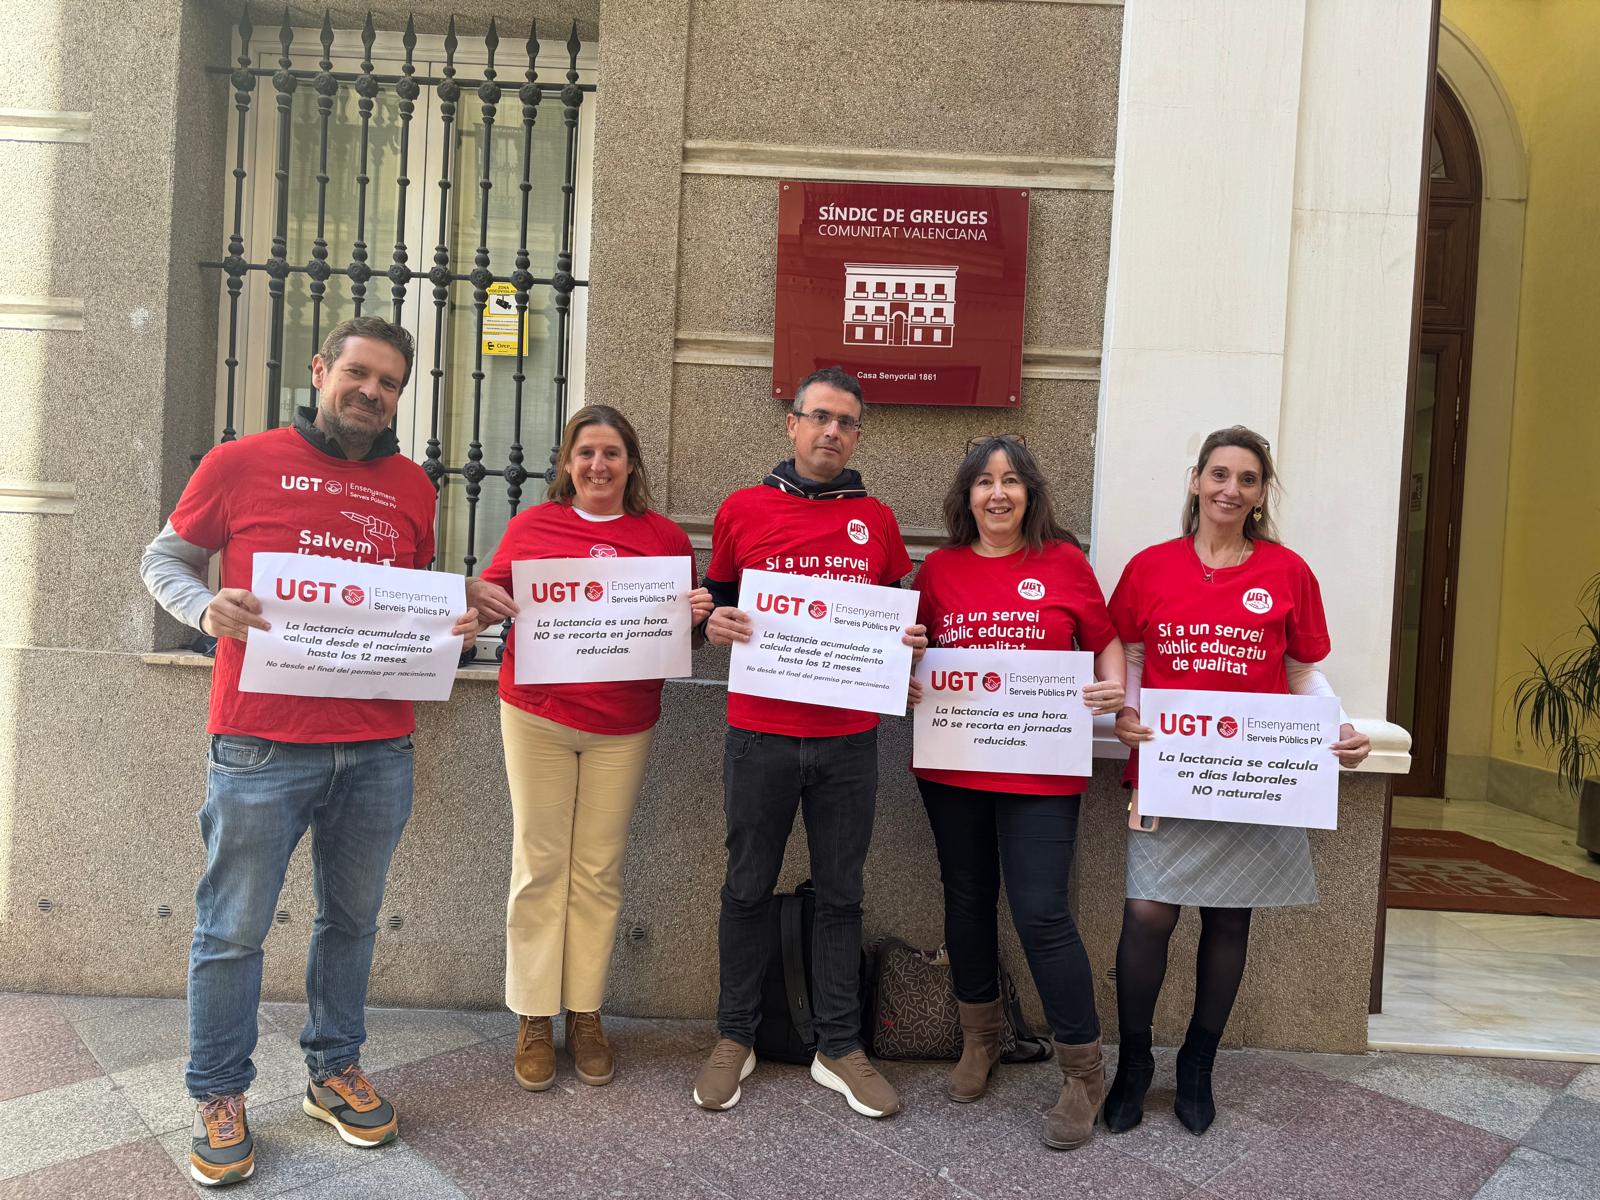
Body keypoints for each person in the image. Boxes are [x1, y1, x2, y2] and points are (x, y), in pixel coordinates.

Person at [138, 316, 479, 1188]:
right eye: (359, 374)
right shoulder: (237, 463)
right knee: (231, 929)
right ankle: (219, 1094)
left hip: (377, 748)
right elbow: (165, 558)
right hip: (258, 744)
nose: (373, 393)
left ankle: (334, 1071)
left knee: (353, 923)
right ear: (322, 371)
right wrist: (202, 607)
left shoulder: (413, 485)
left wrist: (457, 618)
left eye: (391, 383)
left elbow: (408, 606)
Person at [1104, 425, 1371, 1136]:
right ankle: (1134, 1062)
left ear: (1260, 495)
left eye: (1247, 479)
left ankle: (1198, 1063)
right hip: (1168, 771)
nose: (1230, 489)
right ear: (1195, 481)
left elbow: (1302, 672)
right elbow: (1127, 653)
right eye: (1219, 474)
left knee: (1229, 918)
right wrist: (1126, 709)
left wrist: (1336, 729)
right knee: (1147, 916)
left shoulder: (1286, 572)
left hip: (1253, 777)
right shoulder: (1150, 567)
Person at [692, 366, 926, 1119]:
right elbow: (714, 604)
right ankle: (735, 1035)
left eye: (846, 422)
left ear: (858, 435)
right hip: (759, 734)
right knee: (745, 887)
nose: (831, 431)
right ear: (791, 424)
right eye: (819, 416)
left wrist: (909, 639)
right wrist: (711, 622)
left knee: (842, 893)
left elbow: (896, 617)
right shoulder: (742, 509)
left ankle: (840, 1045)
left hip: (848, 742)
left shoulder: (879, 521)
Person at [464, 405, 712, 1092]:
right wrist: (471, 603)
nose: (598, 466)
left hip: (623, 723)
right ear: (567, 464)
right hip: (536, 715)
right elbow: (491, 602)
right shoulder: (531, 526)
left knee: (599, 869)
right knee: (539, 864)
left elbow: (679, 642)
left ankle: (586, 1013)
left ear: (631, 463)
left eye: (611, 453)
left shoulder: (662, 537)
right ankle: (535, 1016)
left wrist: (691, 620)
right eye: (585, 453)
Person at [909, 436, 1126, 1150]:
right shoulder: (936, 569)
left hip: (1040, 767)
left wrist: (1112, 688)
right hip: (955, 763)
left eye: (1010, 482)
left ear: (1030, 494)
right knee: (966, 898)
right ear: (965, 496)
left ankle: (1082, 1068)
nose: (996, 494)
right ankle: (982, 1037)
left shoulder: (1063, 563)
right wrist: (902, 675)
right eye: (983, 482)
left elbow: (1105, 641)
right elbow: (910, 648)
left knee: (1041, 911)